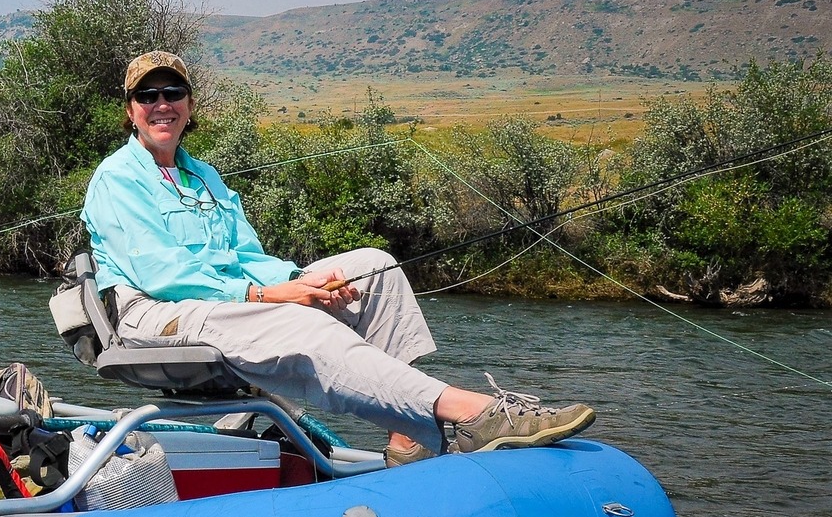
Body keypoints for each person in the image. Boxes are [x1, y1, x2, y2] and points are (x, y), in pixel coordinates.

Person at [80, 50, 594, 466]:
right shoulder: (117, 177)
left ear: (190, 105)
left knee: (375, 267)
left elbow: (245, 255)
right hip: (156, 313)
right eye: (147, 95)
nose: (161, 104)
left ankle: (405, 441)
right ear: (131, 110)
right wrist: (269, 295)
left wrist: (301, 279)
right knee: (304, 325)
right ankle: (471, 414)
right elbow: (163, 274)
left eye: (173, 93)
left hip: (227, 300)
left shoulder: (205, 177)